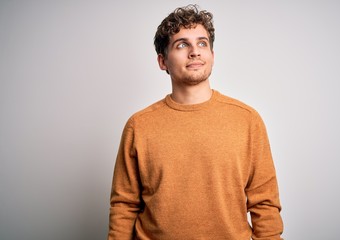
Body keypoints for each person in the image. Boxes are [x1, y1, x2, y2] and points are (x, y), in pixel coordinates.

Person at [108, 4, 283, 240]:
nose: (195, 52)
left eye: (202, 43)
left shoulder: (247, 120)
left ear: (212, 55)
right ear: (162, 61)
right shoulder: (139, 126)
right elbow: (124, 205)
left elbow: (265, 203)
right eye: (182, 44)